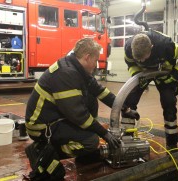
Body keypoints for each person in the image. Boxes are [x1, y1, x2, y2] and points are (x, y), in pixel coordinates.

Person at [25, 38, 140, 178]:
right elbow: (78, 114)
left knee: (92, 99)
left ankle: (83, 153)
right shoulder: (66, 74)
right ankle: (44, 150)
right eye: (96, 60)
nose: (96, 65)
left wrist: (126, 109)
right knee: (91, 141)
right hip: (41, 126)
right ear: (87, 57)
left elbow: (100, 92)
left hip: (55, 117)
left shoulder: (77, 68)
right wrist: (104, 134)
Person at [124, 29, 178, 150]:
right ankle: (126, 139)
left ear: (151, 47)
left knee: (169, 103)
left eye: (143, 58)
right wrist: (138, 76)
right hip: (143, 74)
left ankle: (172, 144)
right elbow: (131, 64)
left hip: (165, 75)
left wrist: (174, 78)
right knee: (128, 101)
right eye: (138, 59)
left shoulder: (166, 45)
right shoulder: (128, 48)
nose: (141, 61)